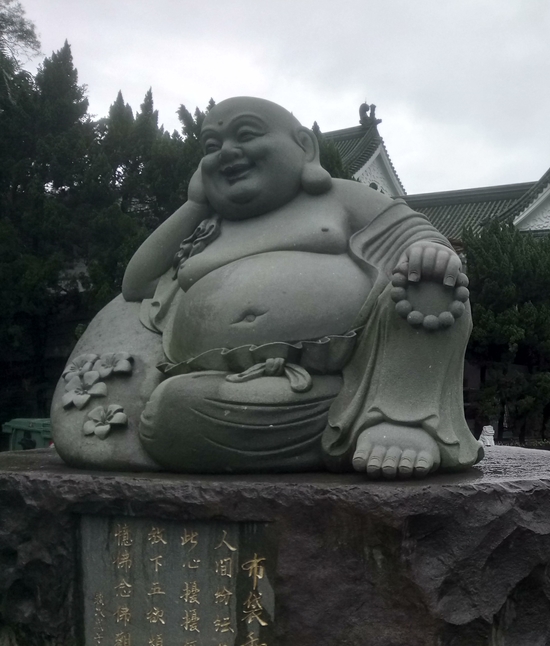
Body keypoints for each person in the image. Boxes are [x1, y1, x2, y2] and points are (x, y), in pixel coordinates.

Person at [56, 96, 482, 479]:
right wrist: (194, 205)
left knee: (432, 290)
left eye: (245, 135)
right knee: (173, 413)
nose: (227, 152)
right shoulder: (207, 228)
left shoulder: (341, 198)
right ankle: (346, 415)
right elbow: (137, 284)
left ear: (305, 147)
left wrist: (430, 254)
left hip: (368, 359)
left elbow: (423, 242)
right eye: (210, 147)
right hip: (247, 389)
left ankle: (399, 418)